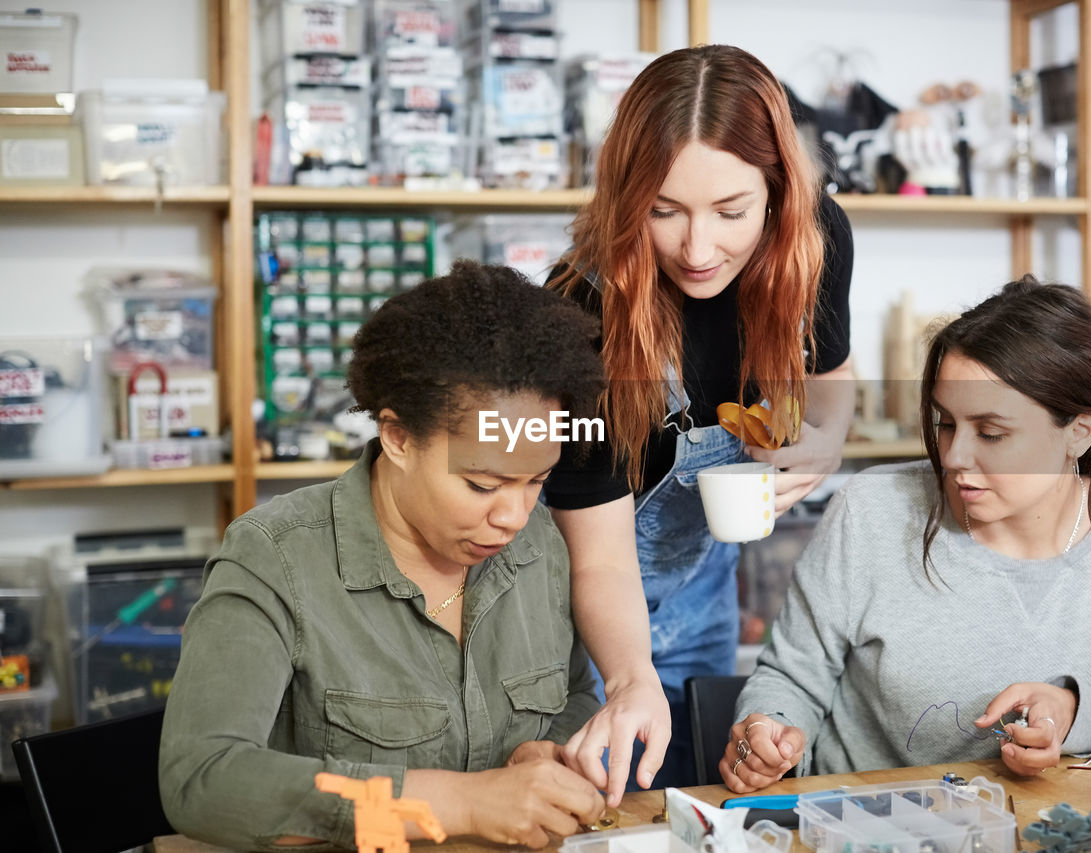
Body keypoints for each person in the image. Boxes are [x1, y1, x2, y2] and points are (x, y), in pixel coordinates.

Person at [159, 261, 609, 850]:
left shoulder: (540, 545)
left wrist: (546, 751)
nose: (513, 517)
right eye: (481, 484)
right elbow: (202, 779)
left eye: (536, 481)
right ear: (397, 438)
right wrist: (457, 802)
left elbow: (576, 694)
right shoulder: (275, 558)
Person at [723, 277, 1091, 790]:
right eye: (946, 423)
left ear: (1079, 431)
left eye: (991, 433)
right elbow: (790, 680)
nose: (953, 456)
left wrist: (1073, 712)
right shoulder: (870, 510)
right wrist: (767, 732)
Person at [543, 43, 856, 796]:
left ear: (778, 190)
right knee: (597, 805)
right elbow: (602, 560)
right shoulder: (584, 312)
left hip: (706, 585)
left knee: (695, 801)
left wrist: (824, 441)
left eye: (731, 211)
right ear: (627, 197)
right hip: (580, 605)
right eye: (664, 211)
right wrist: (627, 678)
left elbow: (832, 379)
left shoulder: (815, 241)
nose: (698, 247)